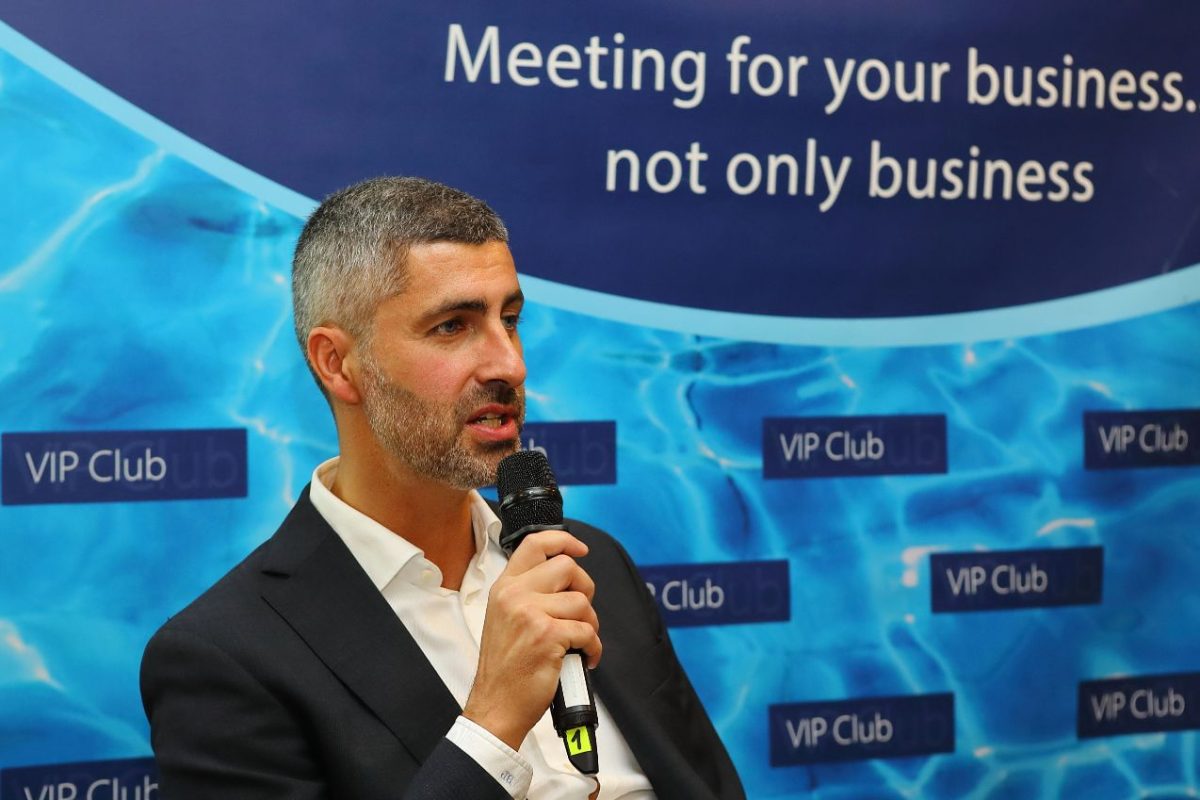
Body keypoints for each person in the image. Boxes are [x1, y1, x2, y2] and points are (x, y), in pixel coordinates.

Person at [140, 177, 745, 799]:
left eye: (510, 320)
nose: (510, 364)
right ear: (337, 364)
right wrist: (492, 722)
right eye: (453, 326)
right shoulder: (227, 655)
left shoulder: (590, 562)